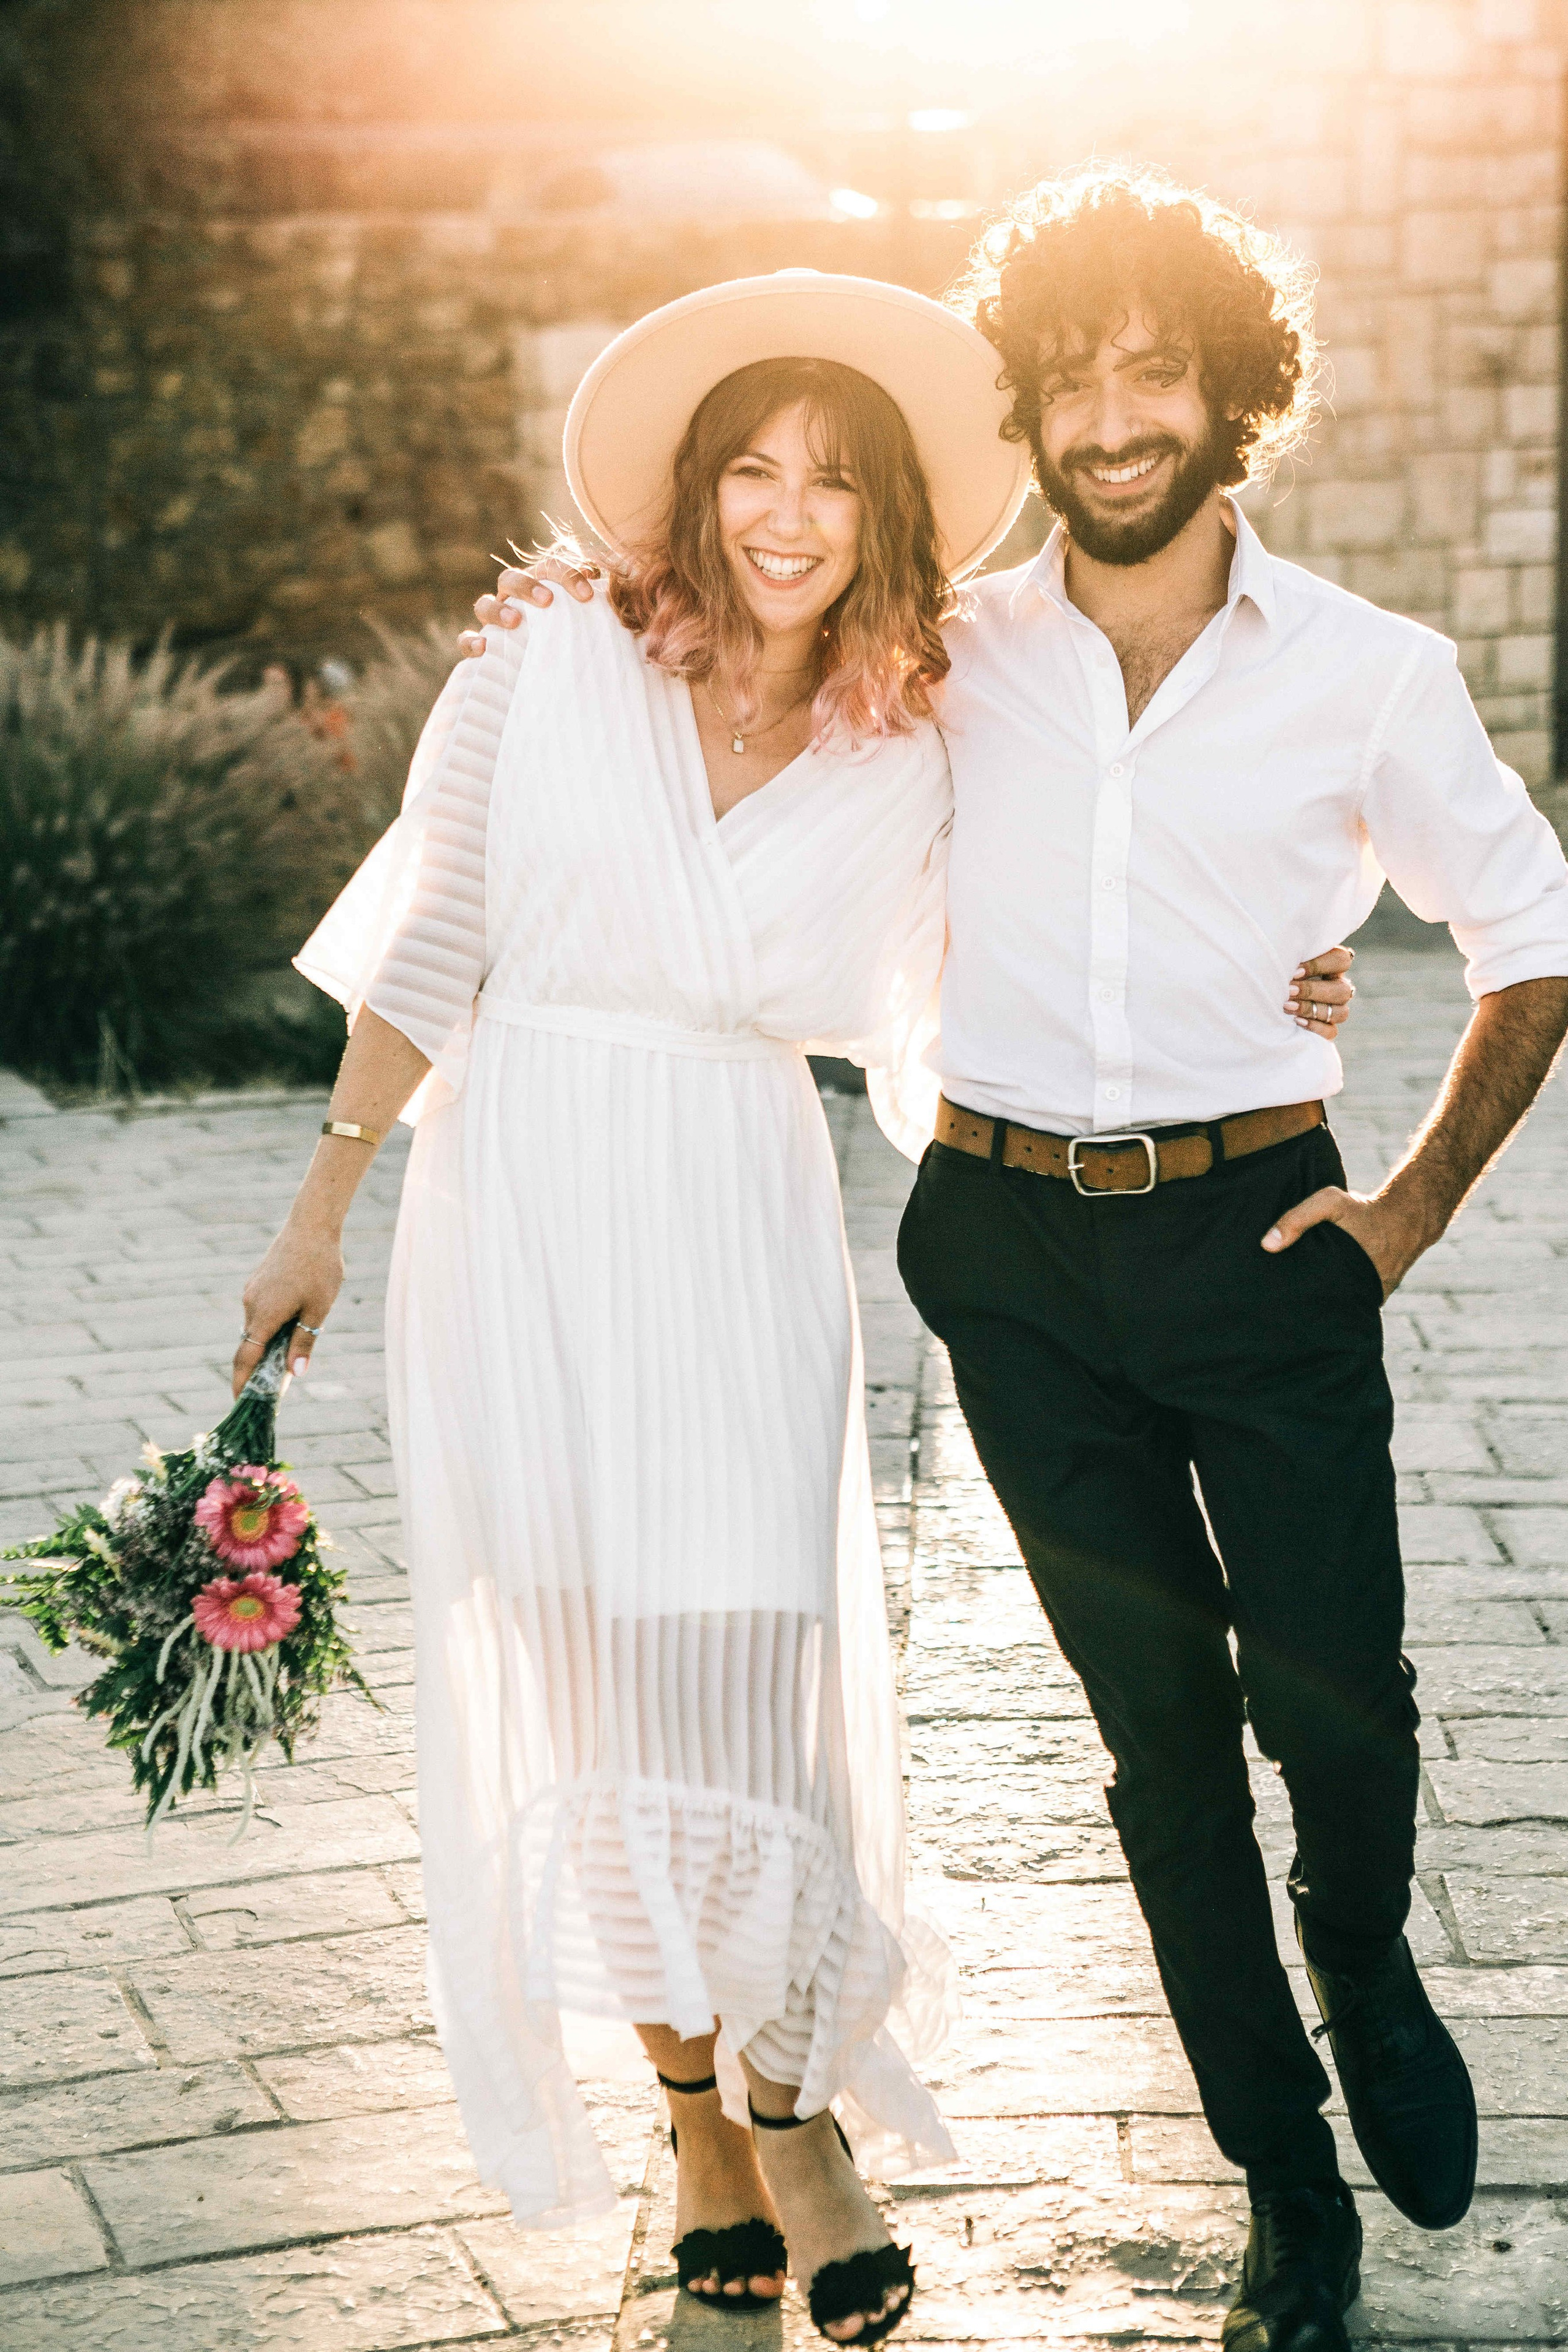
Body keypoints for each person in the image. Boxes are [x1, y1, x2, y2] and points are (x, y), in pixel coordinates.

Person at [484, 169, 1568, 2352]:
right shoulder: (945, 652)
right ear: (1035, 415)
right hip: (1010, 1255)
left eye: (1154, 373)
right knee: (1162, 1753)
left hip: (1264, 1245)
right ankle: (1288, 2187)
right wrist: (568, 632)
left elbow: (1528, 939)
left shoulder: (1373, 673)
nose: (1112, 418)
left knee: (1336, 1719)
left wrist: (1410, 1204)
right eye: (1071, 381)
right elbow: (735, 676)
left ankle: (1360, 1951)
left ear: (1227, 395)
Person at [238, 272, 1042, 2348]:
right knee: (595, 1688)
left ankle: (800, 2110)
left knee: (749, 1684)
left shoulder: (923, 734)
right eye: (754, 471)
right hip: (518, 1206)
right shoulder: (542, 669)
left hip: (737, 1204)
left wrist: (1278, 988)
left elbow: (1013, 970)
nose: (788, 515)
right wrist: (319, 1208)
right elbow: (432, 948)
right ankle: (700, 2124)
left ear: (887, 523)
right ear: (697, 490)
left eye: (835, 486)